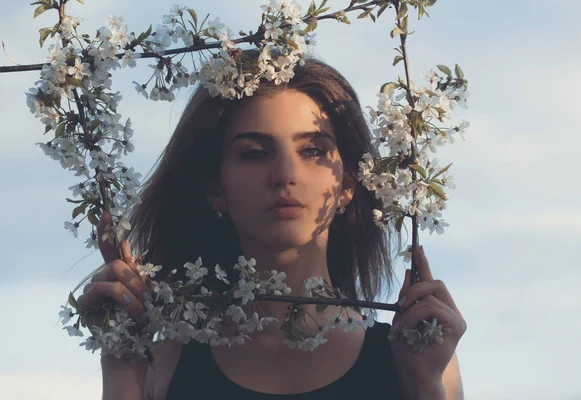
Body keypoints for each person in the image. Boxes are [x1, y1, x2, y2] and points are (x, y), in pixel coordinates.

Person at [77, 50, 466, 399]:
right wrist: (122, 371)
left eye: (313, 150)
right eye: (254, 153)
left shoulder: (417, 358)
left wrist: (425, 388)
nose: (285, 174)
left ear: (349, 183)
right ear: (215, 188)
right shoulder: (164, 364)